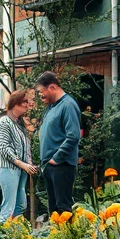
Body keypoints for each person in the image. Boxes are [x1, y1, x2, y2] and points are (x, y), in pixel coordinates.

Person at [35, 71, 81, 215]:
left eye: (42, 92)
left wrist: (57, 158)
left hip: (61, 165)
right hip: (50, 165)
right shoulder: (51, 107)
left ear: (52, 87)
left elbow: (73, 136)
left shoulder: (68, 105)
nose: (40, 96)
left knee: (63, 209)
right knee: (54, 211)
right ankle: (57, 236)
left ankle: (68, 237)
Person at [0, 90, 37, 222]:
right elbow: (3, 147)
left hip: (21, 170)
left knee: (21, 205)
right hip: (8, 169)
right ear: (15, 103)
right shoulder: (4, 121)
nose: (27, 104)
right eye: (24, 101)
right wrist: (21, 163)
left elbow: (26, 148)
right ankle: (1, 238)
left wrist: (29, 164)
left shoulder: (20, 125)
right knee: (9, 207)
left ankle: (16, 237)